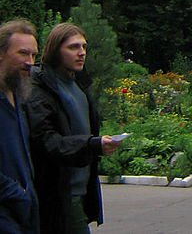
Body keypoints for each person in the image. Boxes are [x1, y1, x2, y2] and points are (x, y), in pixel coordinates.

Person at [26, 22, 122, 234]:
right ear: (55, 50)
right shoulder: (41, 89)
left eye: (84, 47)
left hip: (81, 190)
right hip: (59, 194)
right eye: (73, 47)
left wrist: (96, 144)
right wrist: (91, 145)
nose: (81, 53)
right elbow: (47, 142)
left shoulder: (79, 86)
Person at [0, 19, 40, 234]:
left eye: (33, 55)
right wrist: (17, 193)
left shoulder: (18, 99)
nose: (30, 62)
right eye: (23, 54)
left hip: (23, 216)